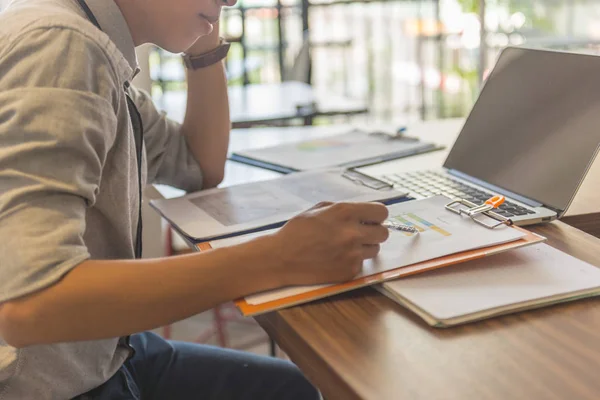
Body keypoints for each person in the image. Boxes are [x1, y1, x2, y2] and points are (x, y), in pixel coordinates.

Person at [0, 0, 390, 399]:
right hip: (49, 381)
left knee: (299, 388)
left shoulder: (89, 41)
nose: (232, 1)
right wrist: (277, 257)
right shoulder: (62, 47)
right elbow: (32, 302)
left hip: (101, 349)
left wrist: (205, 45)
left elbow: (198, 164)